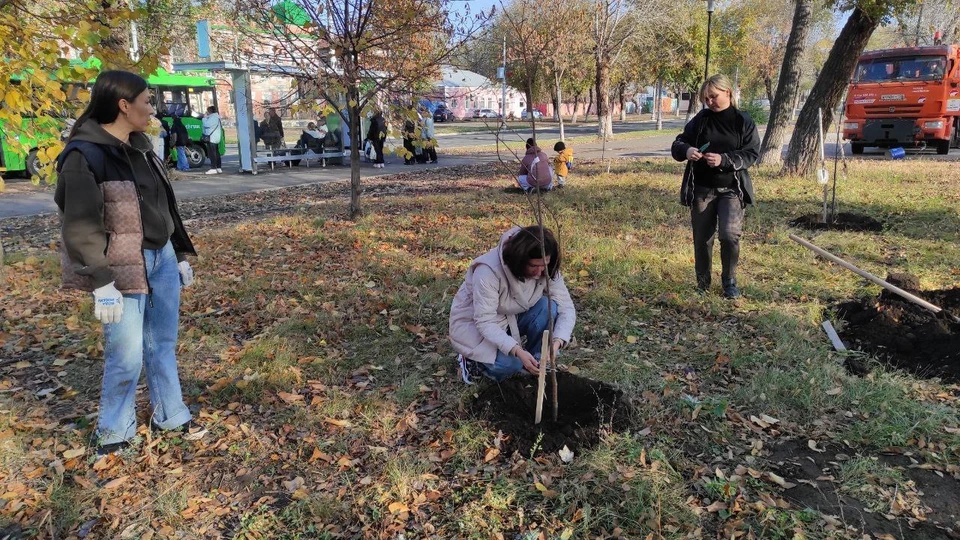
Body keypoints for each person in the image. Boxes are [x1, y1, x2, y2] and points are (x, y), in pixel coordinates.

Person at [53, 70, 201, 455]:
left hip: (162, 257)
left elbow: (165, 205)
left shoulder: (142, 146)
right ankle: (115, 431)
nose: (152, 109)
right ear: (123, 105)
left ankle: (171, 414)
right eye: (147, 102)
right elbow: (79, 224)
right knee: (126, 353)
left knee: (162, 343)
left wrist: (180, 251)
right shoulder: (83, 155)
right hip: (120, 269)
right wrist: (101, 281)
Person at [449, 226, 576, 384]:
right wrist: (517, 351)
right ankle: (473, 361)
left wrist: (556, 343)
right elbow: (485, 322)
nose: (539, 273)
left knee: (548, 307)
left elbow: (566, 308)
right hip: (476, 327)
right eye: (533, 266)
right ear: (519, 259)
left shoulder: (546, 268)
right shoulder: (487, 272)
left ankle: (538, 363)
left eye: (544, 265)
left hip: (511, 317)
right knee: (512, 367)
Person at [671, 74, 759, 299]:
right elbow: (679, 143)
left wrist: (724, 160)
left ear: (727, 92)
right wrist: (687, 151)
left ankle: (729, 281)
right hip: (701, 189)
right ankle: (702, 283)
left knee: (729, 235)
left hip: (731, 189)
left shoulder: (743, 121)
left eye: (713, 97)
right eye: (706, 98)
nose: (709, 101)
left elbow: (751, 154)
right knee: (703, 237)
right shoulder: (701, 119)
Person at [201, 105, 223, 174]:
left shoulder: (213, 117)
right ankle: (218, 167)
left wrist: (204, 118)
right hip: (215, 138)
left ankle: (213, 168)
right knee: (216, 153)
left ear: (210, 111)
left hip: (212, 138)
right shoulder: (216, 117)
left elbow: (206, 125)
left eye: (207, 111)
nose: (206, 112)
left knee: (212, 153)